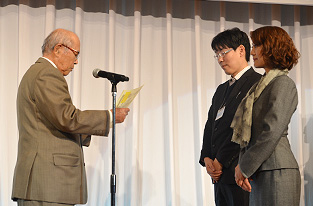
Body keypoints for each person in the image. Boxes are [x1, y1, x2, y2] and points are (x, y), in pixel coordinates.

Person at [11, 28, 130, 206]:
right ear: (58, 49)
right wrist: (109, 117)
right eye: (76, 54)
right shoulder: (46, 74)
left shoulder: (39, 73)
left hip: (47, 186)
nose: (76, 62)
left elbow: (55, 123)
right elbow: (67, 118)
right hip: (47, 185)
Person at [232, 26, 301, 206]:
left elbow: (271, 132)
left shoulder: (283, 84)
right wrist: (243, 167)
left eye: (256, 45)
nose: (252, 52)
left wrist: (244, 167)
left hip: (277, 171)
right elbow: (249, 135)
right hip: (260, 170)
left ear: (271, 47)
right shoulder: (259, 87)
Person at [199, 28, 262, 206]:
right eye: (216, 54)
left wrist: (221, 161)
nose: (219, 59)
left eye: (223, 52)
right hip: (218, 175)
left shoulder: (257, 83)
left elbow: (244, 128)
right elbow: (210, 125)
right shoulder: (221, 89)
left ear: (241, 50)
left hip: (241, 171)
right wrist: (207, 158)